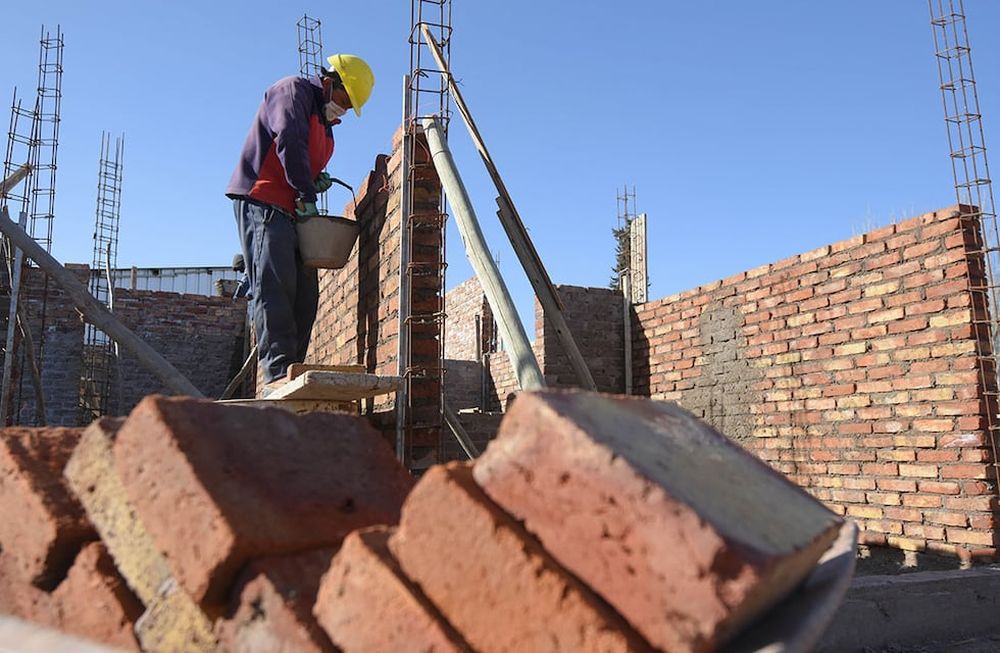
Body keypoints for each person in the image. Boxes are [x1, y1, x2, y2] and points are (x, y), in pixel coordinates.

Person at [226, 54, 374, 393]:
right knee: (274, 284)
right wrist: (307, 191)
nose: (345, 110)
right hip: (262, 200)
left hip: (292, 210)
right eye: (344, 100)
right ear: (329, 82)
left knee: (306, 295)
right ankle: (277, 372)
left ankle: (293, 368)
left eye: (351, 106)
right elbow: (289, 142)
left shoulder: (326, 125)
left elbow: (305, 161)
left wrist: (316, 180)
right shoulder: (292, 92)